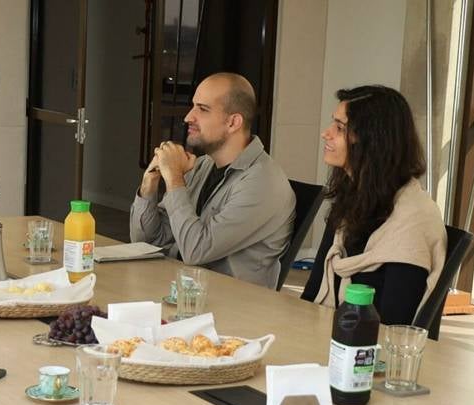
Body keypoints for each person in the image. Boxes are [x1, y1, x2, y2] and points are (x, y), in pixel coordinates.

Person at [130, 72, 295, 288]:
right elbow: (147, 241)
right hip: (184, 291)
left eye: (202, 109)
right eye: (193, 106)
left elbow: (195, 251)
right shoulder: (203, 166)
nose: (188, 117)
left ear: (233, 122)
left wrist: (175, 179)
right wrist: (150, 182)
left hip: (231, 303)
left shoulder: (263, 183)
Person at [301, 85, 446, 324]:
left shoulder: (414, 220)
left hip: (367, 343)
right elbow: (311, 295)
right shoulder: (353, 196)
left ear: (373, 140)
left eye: (340, 128)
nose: (326, 133)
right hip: (330, 331)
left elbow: (395, 323)